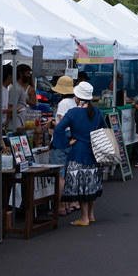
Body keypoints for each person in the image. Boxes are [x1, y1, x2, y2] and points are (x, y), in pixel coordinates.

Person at [52, 81, 105, 227]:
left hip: (78, 152)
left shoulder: (73, 113)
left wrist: (65, 143)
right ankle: (91, 214)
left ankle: (84, 218)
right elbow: (103, 130)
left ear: (77, 96)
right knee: (91, 184)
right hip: (94, 152)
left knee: (81, 185)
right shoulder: (97, 112)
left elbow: (58, 129)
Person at [49, 75, 78, 215]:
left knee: (59, 174)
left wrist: (51, 123)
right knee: (68, 173)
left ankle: (59, 206)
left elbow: (60, 123)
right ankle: (68, 204)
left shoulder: (63, 103)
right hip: (72, 137)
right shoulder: (74, 102)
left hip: (61, 138)